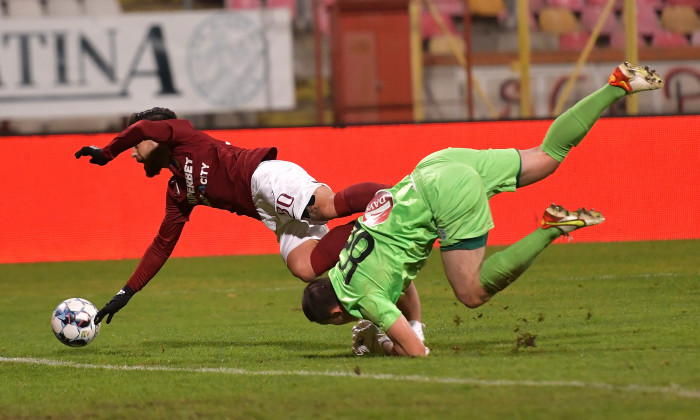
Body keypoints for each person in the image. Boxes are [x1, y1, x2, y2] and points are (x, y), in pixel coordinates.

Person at [301, 62, 664, 357]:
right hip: (434, 166)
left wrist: (385, 345)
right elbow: (400, 284)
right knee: (546, 156)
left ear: (337, 314)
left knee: (471, 293)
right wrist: (407, 326)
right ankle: (617, 85)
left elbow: (416, 353)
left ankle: (551, 227)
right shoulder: (348, 265)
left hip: (444, 195)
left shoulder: (363, 298)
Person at [75, 108, 426, 330]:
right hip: (267, 212)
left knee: (326, 206)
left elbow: (138, 129)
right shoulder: (178, 191)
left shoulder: (182, 135)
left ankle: (403, 197)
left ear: (155, 135)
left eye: (137, 147)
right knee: (304, 268)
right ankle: (367, 232)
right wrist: (127, 292)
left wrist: (108, 152)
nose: (134, 155)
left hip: (263, 177)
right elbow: (161, 247)